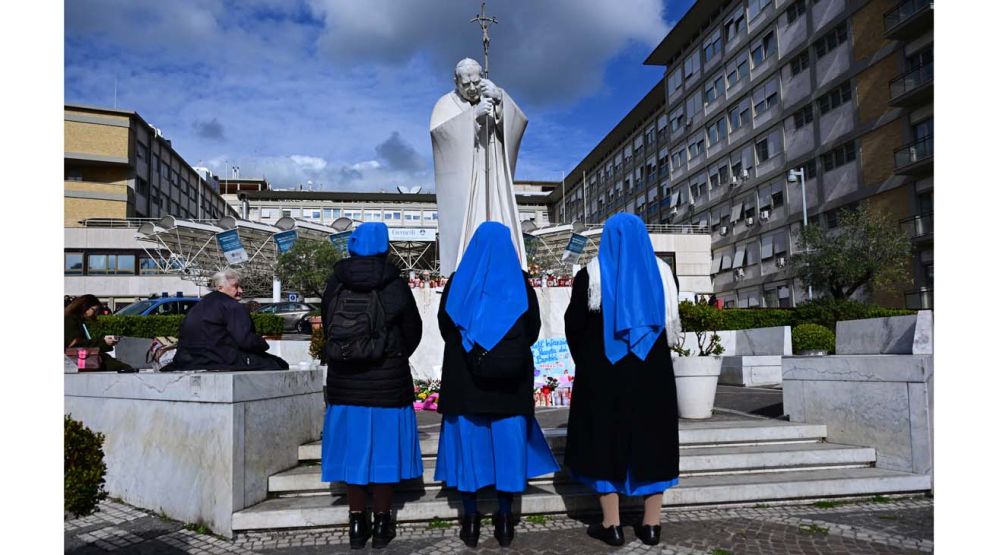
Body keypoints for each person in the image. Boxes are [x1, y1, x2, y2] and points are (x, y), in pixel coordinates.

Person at [434, 221, 559, 548]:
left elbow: (446, 329)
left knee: (470, 451)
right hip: (510, 382)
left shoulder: (457, 283)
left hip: (465, 382)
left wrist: (474, 349)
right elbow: (532, 331)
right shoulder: (521, 283)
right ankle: (504, 520)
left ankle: (471, 519)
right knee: (507, 449)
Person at [563, 214, 681, 547]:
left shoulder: (592, 274)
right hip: (652, 374)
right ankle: (652, 525)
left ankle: (611, 525)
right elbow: (670, 322)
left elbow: (575, 325)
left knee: (604, 440)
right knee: (654, 440)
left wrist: (587, 362)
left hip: (604, 375)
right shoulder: (663, 273)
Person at [318, 222, 424, 549]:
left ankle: (355, 523)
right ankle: (381, 525)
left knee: (353, 454)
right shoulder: (394, 283)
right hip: (387, 384)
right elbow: (413, 331)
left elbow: (328, 324)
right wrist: (391, 353)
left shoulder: (336, 282)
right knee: (384, 455)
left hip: (346, 383)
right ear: (384, 245)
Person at [430, 57, 529, 276]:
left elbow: (518, 123)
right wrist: (473, 118)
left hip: (492, 177)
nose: (473, 88)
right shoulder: (444, 104)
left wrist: (500, 99)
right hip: (466, 181)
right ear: (455, 81)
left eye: (476, 82)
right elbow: (441, 137)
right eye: (466, 84)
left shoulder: (492, 94)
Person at [162, 270, 288, 371]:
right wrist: (262, 343)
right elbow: (245, 340)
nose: (240, 291)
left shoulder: (198, 306)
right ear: (220, 287)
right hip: (219, 360)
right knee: (279, 364)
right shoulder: (232, 306)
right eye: (236, 286)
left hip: (186, 361)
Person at [64, 294, 132, 371]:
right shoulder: (70, 320)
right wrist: (104, 342)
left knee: (122, 366)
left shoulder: (75, 319)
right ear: (85, 307)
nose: (95, 314)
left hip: (81, 358)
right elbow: (76, 344)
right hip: (78, 360)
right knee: (123, 368)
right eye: (94, 310)